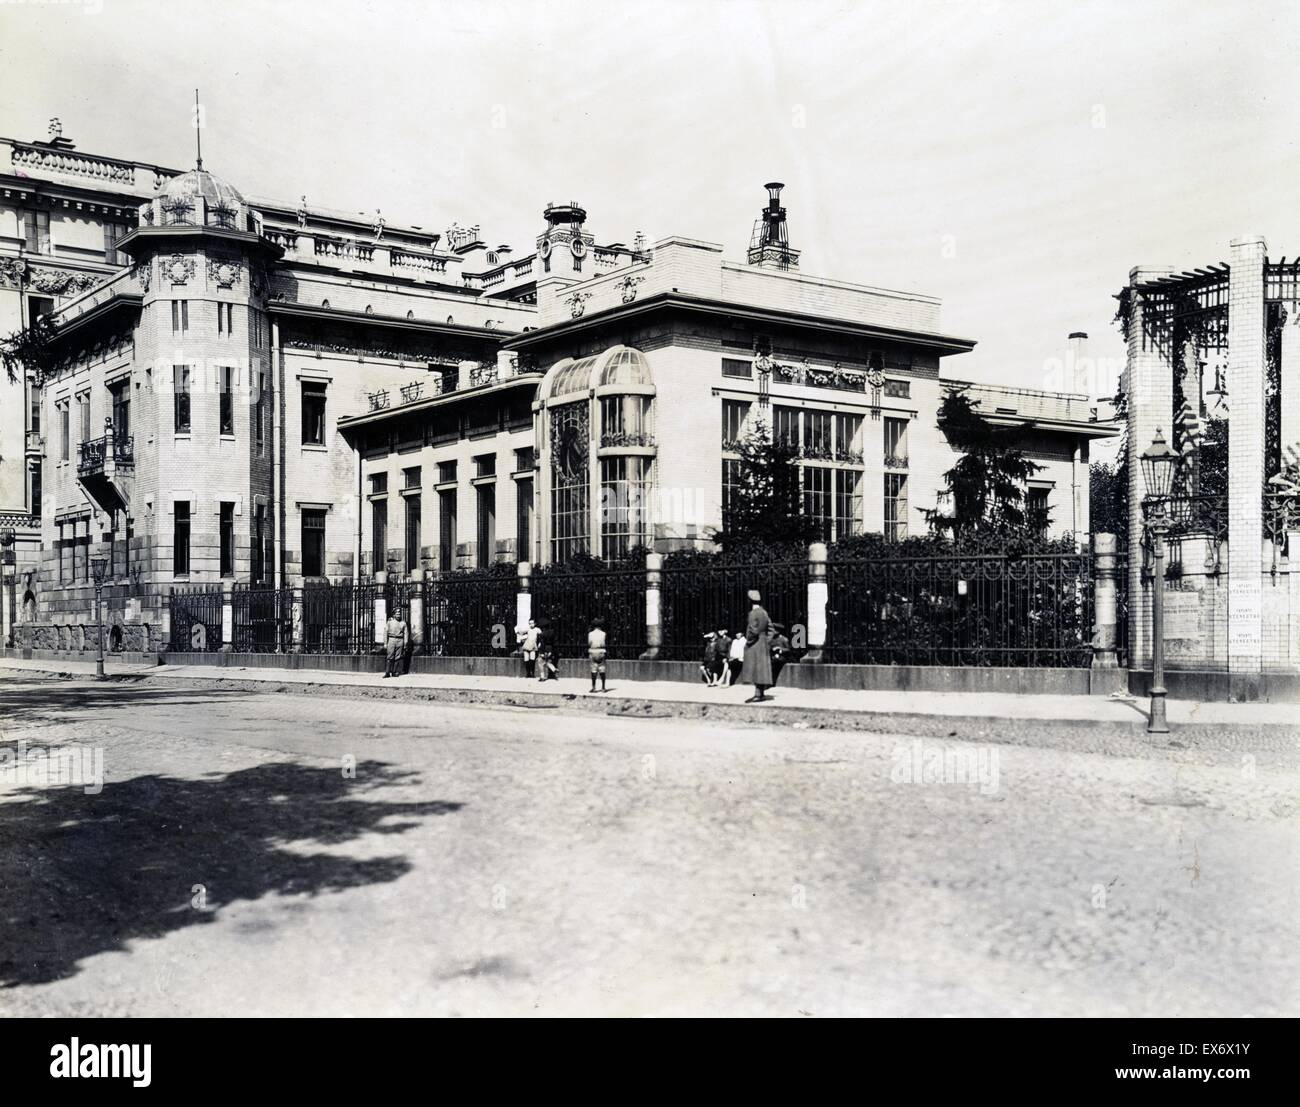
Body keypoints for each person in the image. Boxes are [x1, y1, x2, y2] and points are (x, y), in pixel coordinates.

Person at [740, 588, 773, 702]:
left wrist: (748, 642)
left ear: (750, 601)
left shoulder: (753, 613)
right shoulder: (764, 612)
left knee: (755, 669)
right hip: (762, 643)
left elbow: (753, 631)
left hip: (754, 644)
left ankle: (758, 694)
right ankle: (760, 693)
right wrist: (766, 641)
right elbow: (771, 629)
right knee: (761, 669)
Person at [383, 605, 409, 678]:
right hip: (391, 639)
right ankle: (387, 672)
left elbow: (406, 634)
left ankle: (394, 672)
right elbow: (385, 632)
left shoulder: (403, 623)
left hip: (400, 640)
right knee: (390, 656)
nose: (398, 614)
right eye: (397, 613)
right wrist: (385, 643)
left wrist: (405, 644)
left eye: (399, 613)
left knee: (398, 657)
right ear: (394, 615)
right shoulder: (390, 622)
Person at [587, 616, 608, 693]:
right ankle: (603, 687)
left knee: (593, 669)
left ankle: (593, 687)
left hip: (593, 651)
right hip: (601, 651)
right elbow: (604, 643)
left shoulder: (590, 634)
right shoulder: (603, 634)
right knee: (602, 669)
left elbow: (589, 643)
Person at [768, 621, 792, 686]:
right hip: (772, 657)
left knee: (774, 663)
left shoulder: (784, 639)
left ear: (778, 631)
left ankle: (772, 682)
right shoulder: (771, 639)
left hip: (781, 657)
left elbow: (788, 650)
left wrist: (780, 649)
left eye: (775, 630)